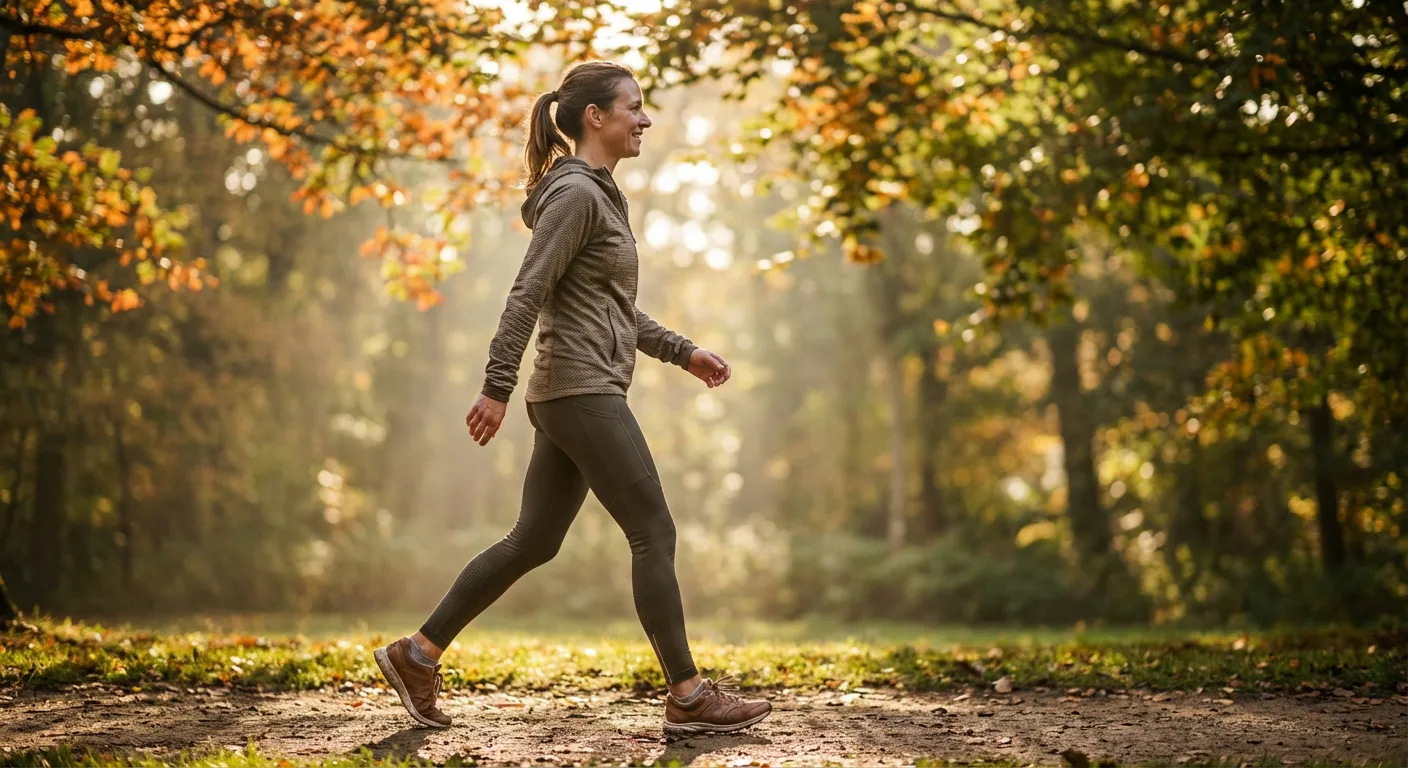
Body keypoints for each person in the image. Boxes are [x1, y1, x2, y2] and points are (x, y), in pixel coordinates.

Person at [373, 60, 773, 738]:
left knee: (533, 539)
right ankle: (688, 694)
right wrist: (496, 386)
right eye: (634, 107)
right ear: (597, 117)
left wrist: (682, 350)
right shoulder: (576, 197)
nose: (644, 120)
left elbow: (613, 307)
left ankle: (418, 654)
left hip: (574, 388)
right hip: (579, 389)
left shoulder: (597, 195)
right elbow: (527, 290)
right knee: (654, 529)